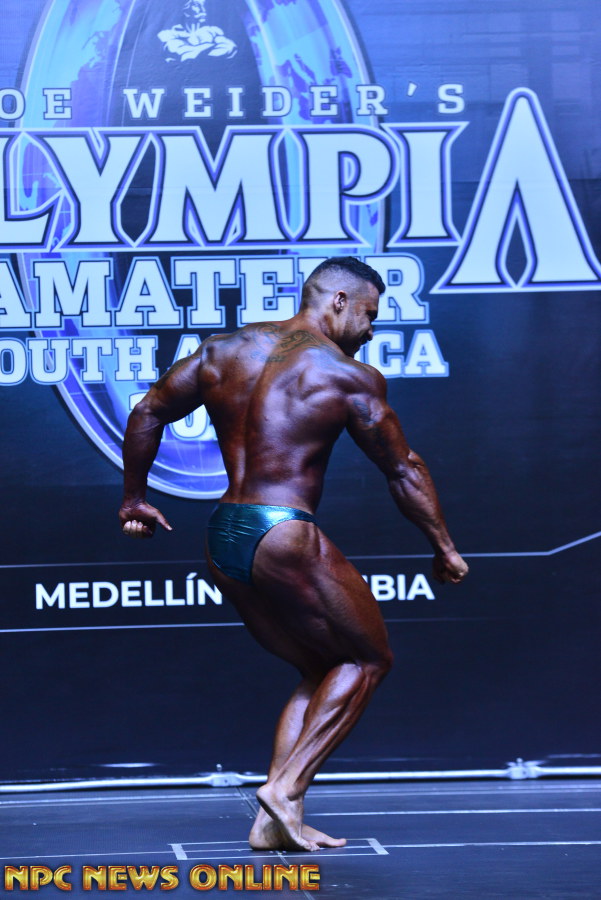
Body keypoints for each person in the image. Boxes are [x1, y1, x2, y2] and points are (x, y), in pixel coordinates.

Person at [119, 256, 469, 852]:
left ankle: (273, 822)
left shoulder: (223, 350)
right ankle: (284, 788)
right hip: (281, 530)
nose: (371, 330)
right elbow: (403, 468)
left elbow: (149, 409)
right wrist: (444, 546)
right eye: (369, 315)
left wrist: (134, 499)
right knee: (368, 659)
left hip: (224, 534)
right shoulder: (345, 374)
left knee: (322, 667)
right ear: (338, 301)